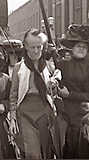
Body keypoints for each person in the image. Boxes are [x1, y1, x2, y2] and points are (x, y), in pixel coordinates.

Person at [8, 28, 58, 159]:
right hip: (25, 114)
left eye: (39, 47)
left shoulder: (49, 67)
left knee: (46, 151)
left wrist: (54, 86)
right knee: (33, 153)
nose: (36, 51)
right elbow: (13, 95)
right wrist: (12, 118)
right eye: (32, 47)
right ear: (25, 46)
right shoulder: (19, 68)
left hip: (45, 112)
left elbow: (55, 93)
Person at [57, 24, 89, 159]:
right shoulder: (61, 65)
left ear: (88, 50)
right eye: (78, 45)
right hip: (64, 116)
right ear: (72, 47)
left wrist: (69, 94)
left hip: (82, 118)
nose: (81, 48)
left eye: (84, 46)